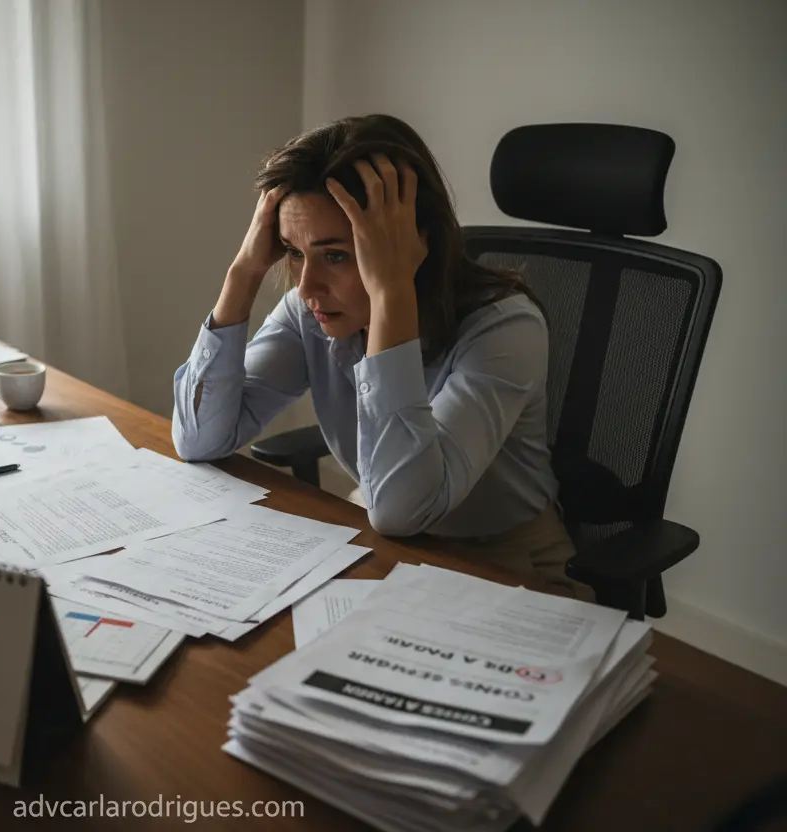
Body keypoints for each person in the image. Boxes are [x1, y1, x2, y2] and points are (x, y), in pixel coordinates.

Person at [172, 114, 589, 598]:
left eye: (337, 255)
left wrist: (391, 294)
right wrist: (243, 272)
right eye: (291, 251)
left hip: (505, 558)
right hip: (380, 535)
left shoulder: (505, 329)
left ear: (414, 244)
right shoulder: (313, 310)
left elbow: (401, 509)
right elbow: (199, 440)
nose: (307, 286)